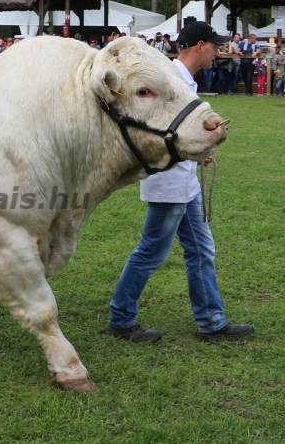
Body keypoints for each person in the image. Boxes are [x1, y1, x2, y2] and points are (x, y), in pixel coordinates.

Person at [108, 21, 254, 343]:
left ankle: (212, 321)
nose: (218, 52)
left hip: (183, 182)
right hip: (169, 180)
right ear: (200, 45)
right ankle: (120, 316)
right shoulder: (170, 80)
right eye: (214, 45)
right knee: (152, 251)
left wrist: (198, 150)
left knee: (201, 249)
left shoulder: (183, 80)